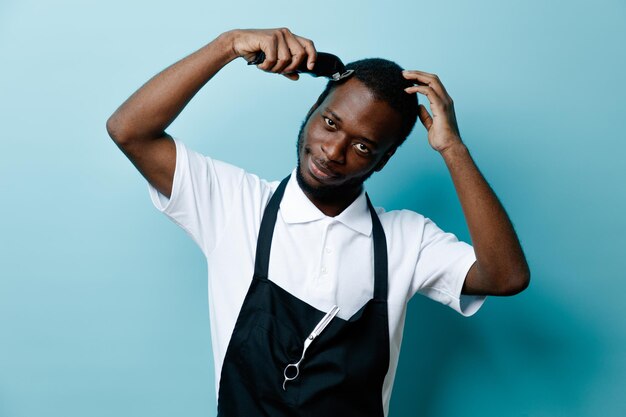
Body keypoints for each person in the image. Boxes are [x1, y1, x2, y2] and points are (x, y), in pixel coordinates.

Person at [106, 28, 530, 417]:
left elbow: (505, 276)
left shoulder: (406, 240)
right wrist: (228, 44)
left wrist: (452, 148)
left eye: (363, 146)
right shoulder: (236, 206)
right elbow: (129, 130)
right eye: (330, 123)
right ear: (313, 109)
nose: (332, 151)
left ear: (384, 160)